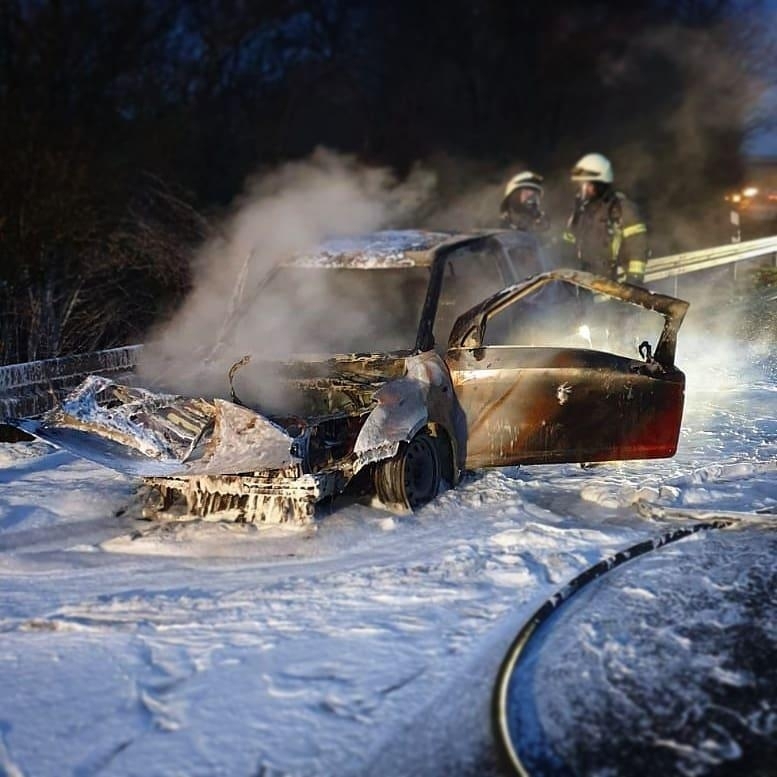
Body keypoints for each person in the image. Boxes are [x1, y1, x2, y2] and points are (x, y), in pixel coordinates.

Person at [562, 153, 648, 286]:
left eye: (588, 185)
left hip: (615, 286)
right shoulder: (580, 211)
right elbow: (567, 245)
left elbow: (638, 248)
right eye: (581, 185)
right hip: (583, 286)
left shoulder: (622, 209)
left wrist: (633, 281)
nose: (584, 190)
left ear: (601, 184)